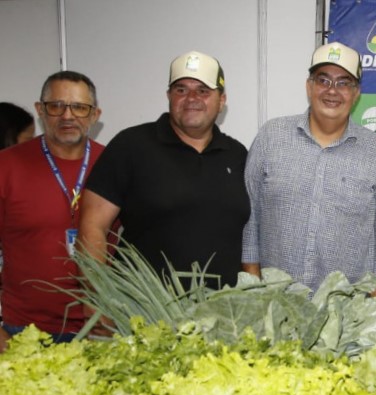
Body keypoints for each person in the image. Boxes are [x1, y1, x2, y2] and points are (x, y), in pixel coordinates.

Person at [79, 51, 249, 288]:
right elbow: (93, 226)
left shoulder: (237, 154)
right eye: (181, 89)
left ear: (221, 101)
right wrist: (99, 293)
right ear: (169, 96)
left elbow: (251, 236)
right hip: (144, 306)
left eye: (203, 90)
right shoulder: (131, 145)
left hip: (225, 306)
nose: (191, 98)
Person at [242, 42, 376, 295]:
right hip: (276, 303)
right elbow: (250, 220)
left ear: (356, 93)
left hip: (347, 307)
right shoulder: (271, 136)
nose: (332, 91)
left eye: (344, 83)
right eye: (323, 80)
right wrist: (254, 294)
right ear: (309, 86)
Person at [0, 71, 103, 350]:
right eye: (56, 106)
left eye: (79, 107)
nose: (67, 116)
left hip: (102, 330)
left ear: (95, 115)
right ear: (40, 110)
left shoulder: (114, 165)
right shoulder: (6, 166)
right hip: (23, 333)